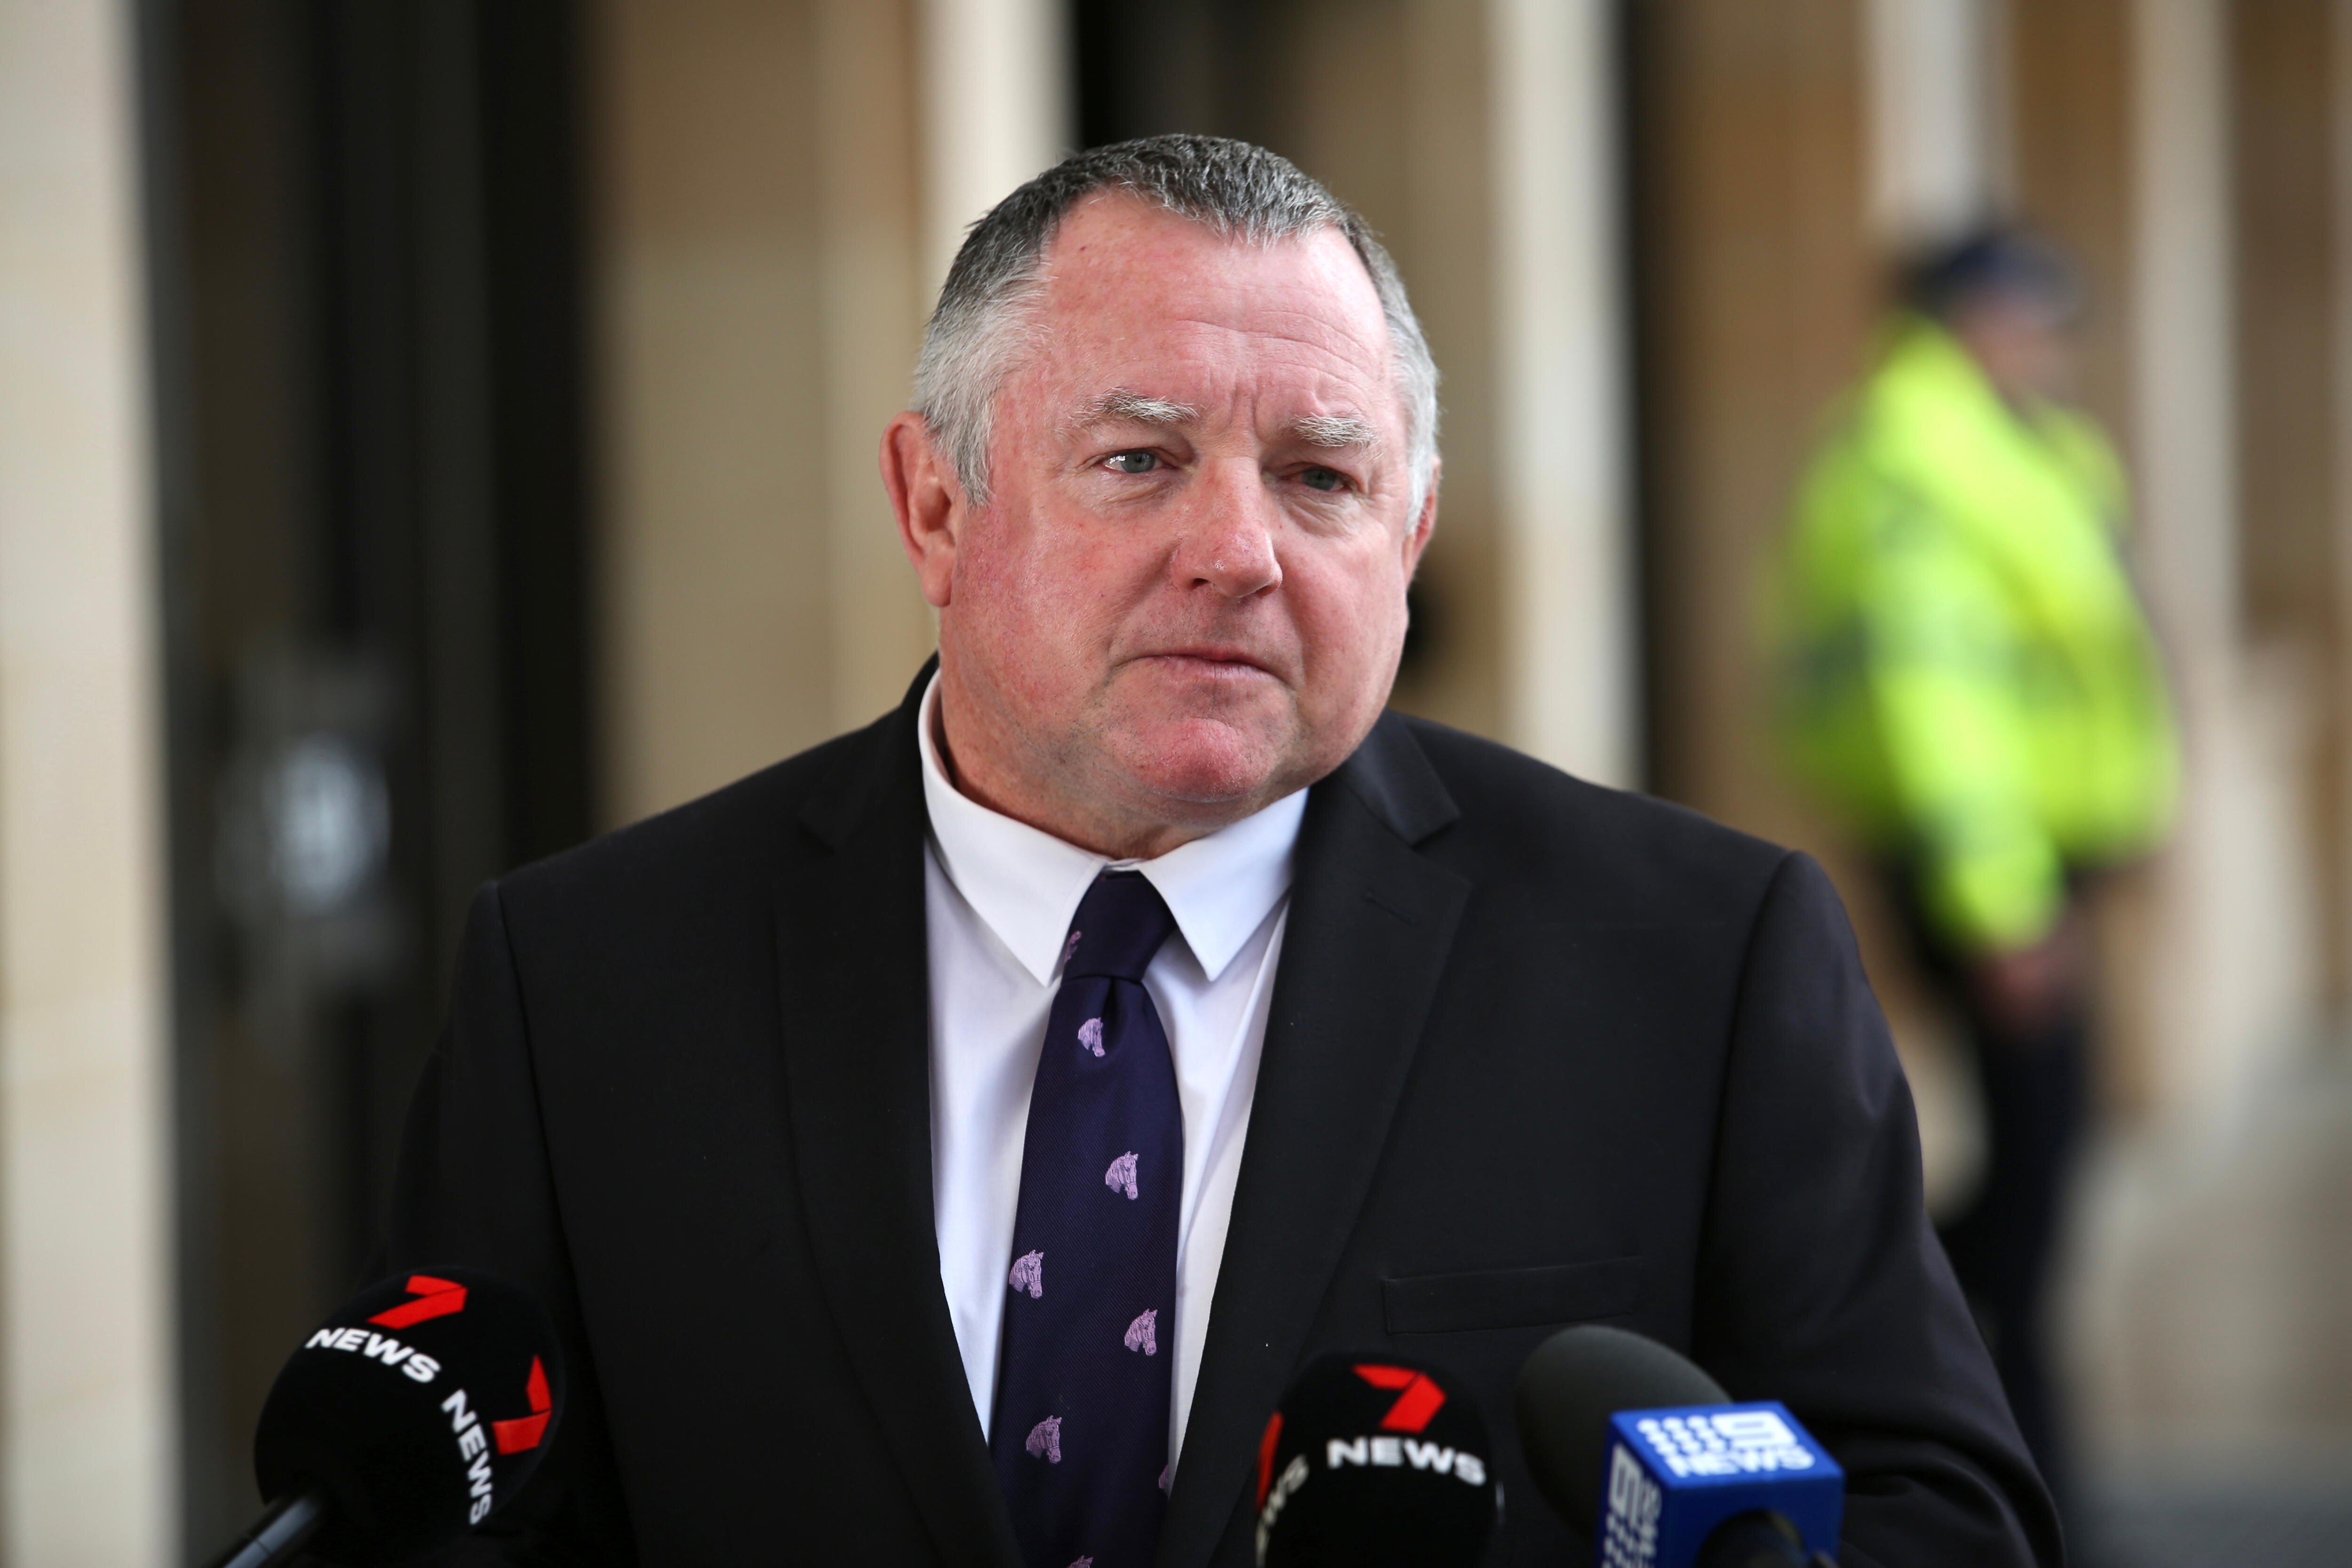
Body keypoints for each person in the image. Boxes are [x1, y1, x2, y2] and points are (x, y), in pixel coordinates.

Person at [387, 138, 2057, 1566]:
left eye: (1323, 477)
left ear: (1406, 544)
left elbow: (1939, 1517)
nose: (1239, 553)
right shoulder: (586, 986)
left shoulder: (1699, 959)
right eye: (1139, 461)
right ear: (937, 510)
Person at [1767, 229, 2179, 1510]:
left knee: (2039, 1181)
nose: (2053, 344)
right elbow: (1937, 701)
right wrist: (2002, 903)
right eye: (2033, 319)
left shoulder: (2023, 443)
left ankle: (2000, 1448)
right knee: (2037, 1193)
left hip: (2043, 860)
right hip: (1990, 874)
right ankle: (2003, 1463)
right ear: (1971, 322)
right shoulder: (1919, 459)